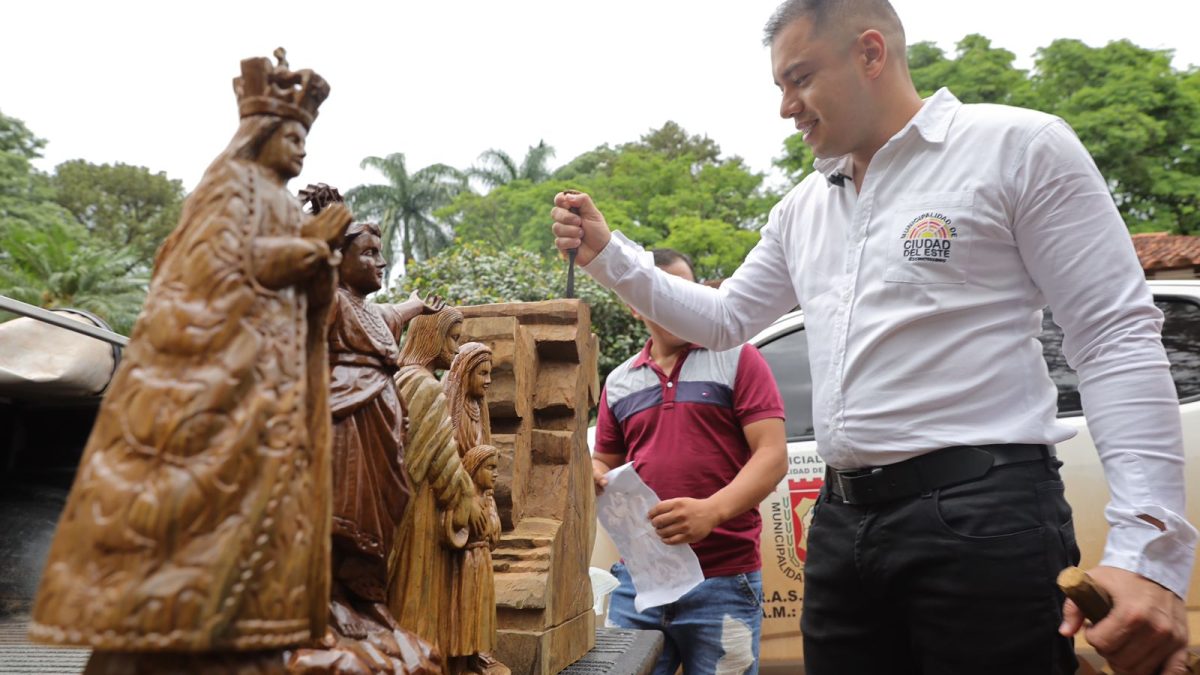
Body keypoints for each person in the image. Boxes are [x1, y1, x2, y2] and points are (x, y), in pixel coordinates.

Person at [550, 2, 1197, 674]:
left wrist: (1148, 552)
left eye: (799, 78)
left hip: (983, 515)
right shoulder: (803, 208)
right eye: (778, 87)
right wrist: (608, 254)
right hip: (841, 524)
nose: (786, 107)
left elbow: (1113, 335)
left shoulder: (1017, 148)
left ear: (870, 53)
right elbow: (724, 319)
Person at [29, 51, 349, 668]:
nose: (301, 148)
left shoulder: (281, 201)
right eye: (291, 134)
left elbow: (305, 295)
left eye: (306, 137)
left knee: (264, 514)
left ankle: (250, 629)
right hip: (220, 383)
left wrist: (319, 262)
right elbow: (210, 273)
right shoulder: (231, 186)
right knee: (198, 506)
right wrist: (309, 246)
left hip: (271, 390)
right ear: (259, 136)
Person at [592, 249, 788, 675]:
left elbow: (772, 456)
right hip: (639, 582)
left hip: (724, 580)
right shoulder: (620, 381)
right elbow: (603, 462)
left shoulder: (738, 357)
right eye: (661, 293)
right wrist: (592, 473)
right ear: (635, 302)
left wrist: (711, 511)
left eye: (685, 291)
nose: (676, 303)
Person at [388, 307, 478, 657]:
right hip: (420, 504)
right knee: (418, 588)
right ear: (431, 336)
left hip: (404, 498)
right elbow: (441, 457)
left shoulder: (401, 376)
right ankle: (416, 657)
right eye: (453, 339)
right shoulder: (424, 385)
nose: (457, 349)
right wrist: (466, 497)